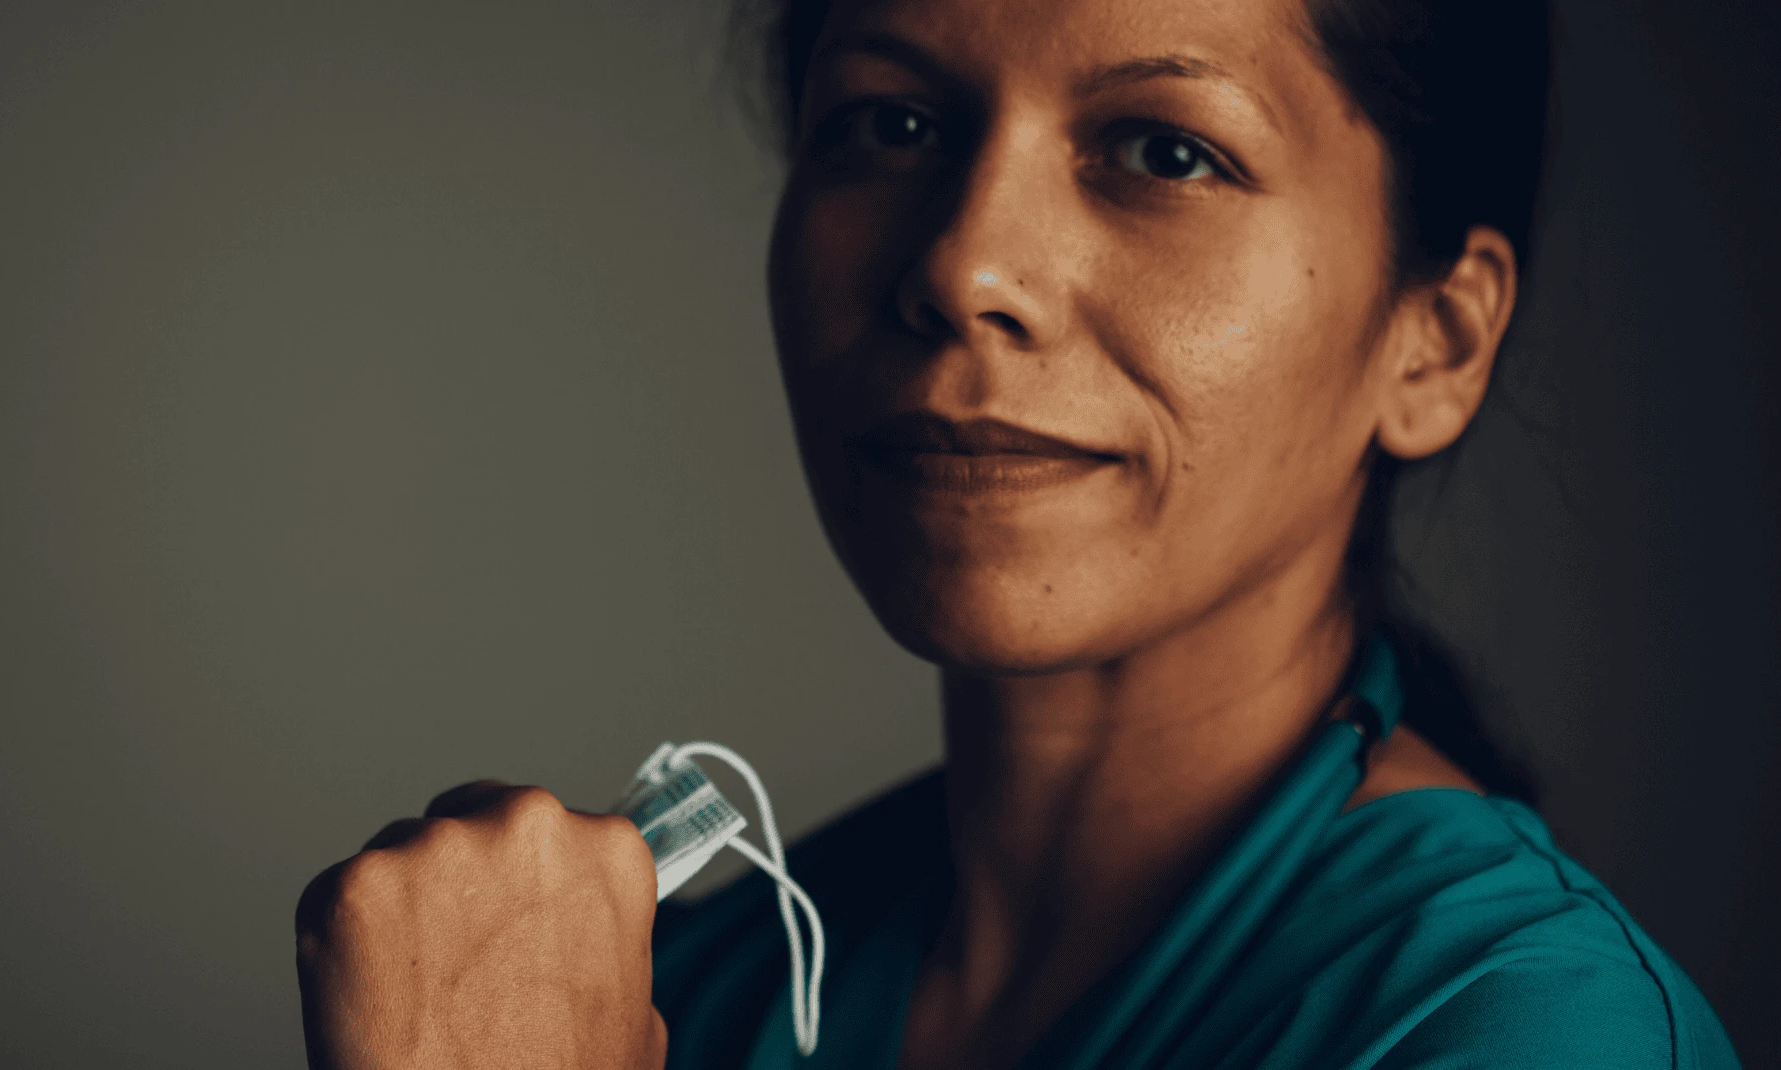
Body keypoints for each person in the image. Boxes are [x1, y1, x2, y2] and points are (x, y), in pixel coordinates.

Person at [292, 0, 1744, 1065]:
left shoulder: (1525, 1025)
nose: (965, 263)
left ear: (1434, 343)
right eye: (891, 124)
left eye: (1165, 152)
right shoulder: (679, 992)